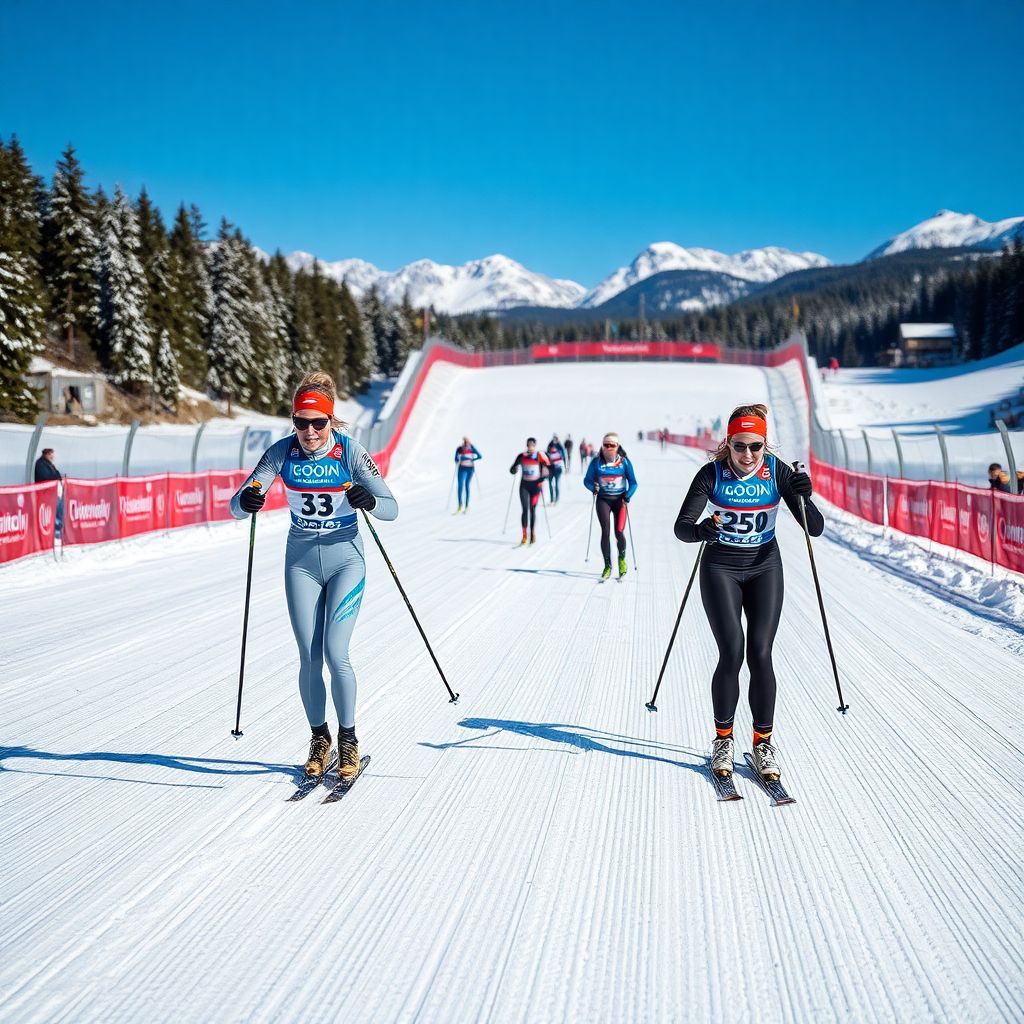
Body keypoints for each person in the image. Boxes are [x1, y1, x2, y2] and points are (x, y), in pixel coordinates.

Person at [231, 371, 398, 782]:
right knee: (308, 656)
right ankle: (318, 739)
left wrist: (369, 499)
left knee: (336, 653)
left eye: (318, 422)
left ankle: (349, 739)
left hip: (346, 559)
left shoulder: (350, 453)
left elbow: (392, 508)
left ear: (330, 421)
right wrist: (248, 498)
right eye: (300, 422)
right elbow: (238, 505)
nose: (309, 431)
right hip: (301, 561)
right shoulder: (280, 453)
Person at [672, 403, 823, 783]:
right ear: (728, 442)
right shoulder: (712, 474)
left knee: (761, 651)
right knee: (732, 651)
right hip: (721, 568)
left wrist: (805, 496)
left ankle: (763, 744)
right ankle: (722, 740)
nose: (748, 455)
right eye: (740, 446)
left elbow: (815, 528)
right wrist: (702, 530)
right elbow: (682, 527)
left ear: (764, 444)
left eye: (756, 446)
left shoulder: (778, 472)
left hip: (764, 566)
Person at [584, 432, 637, 580]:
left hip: (620, 501)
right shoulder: (596, 463)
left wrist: (628, 494)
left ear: (617, 446)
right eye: (606, 445)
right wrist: (592, 487)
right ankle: (607, 566)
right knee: (605, 531)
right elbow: (587, 480)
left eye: (612, 445)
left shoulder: (624, 462)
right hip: (603, 500)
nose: (608, 448)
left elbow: (633, 482)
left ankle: (621, 560)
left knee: (619, 532)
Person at [509, 437, 551, 545]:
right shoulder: (522, 456)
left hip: (535, 486)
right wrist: (514, 470)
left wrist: (542, 478)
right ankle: (524, 535)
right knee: (524, 510)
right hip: (524, 485)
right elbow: (512, 469)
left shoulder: (540, 455)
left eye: (532, 445)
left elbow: (549, 469)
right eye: (529, 445)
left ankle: (532, 533)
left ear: (535, 445)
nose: (530, 447)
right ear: (527, 445)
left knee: (532, 510)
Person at [34, 447, 63, 536]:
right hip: (44, 493)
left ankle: (58, 528)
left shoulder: (50, 464)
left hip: (53, 493)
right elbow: (47, 476)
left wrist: (56, 475)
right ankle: (54, 530)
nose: (52, 457)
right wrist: (55, 476)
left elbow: (58, 474)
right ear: (46, 454)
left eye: (52, 454)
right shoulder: (40, 464)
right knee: (53, 510)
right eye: (51, 454)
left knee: (59, 508)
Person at [453, 437, 482, 513]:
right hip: (462, 469)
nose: (466, 443)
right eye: (464, 442)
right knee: (460, 486)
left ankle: (466, 506)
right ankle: (460, 505)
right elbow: (456, 459)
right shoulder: (460, 449)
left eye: (467, 442)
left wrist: (472, 459)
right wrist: (460, 459)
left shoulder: (472, 448)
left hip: (470, 469)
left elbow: (480, 456)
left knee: (467, 486)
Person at [546, 435, 566, 502]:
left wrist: (558, 442)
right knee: (550, 484)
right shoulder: (549, 452)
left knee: (556, 484)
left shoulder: (559, 451)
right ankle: (552, 499)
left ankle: (556, 499)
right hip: (551, 470)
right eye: (552, 448)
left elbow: (563, 453)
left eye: (554, 448)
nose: (553, 449)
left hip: (558, 470)